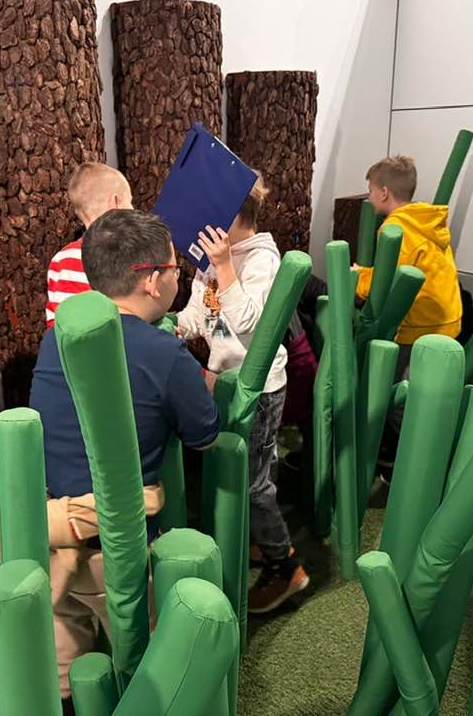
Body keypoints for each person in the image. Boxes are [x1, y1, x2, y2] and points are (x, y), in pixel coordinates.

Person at [0, 209, 218, 700]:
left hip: (39, 539)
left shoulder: (55, 339)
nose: (178, 277)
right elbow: (205, 437)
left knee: (60, 680)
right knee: (152, 674)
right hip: (111, 550)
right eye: (174, 269)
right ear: (152, 280)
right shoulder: (165, 355)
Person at [176, 175, 310, 615]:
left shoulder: (261, 259)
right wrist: (178, 326)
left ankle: (285, 565)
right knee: (239, 471)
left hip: (260, 388)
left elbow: (249, 321)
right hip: (224, 380)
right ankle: (257, 539)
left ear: (234, 216)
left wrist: (225, 267)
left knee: (254, 484)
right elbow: (201, 310)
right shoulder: (214, 260)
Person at [357, 155, 462, 372]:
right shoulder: (425, 220)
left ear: (384, 193)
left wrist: (357, 280)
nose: (369, 197)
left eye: (370, 190)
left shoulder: (394, 229)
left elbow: (388, 282)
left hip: (420, 328)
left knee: (400, 385)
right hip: (449, 320)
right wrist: (366, 272)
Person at [45, 162, 134, 327]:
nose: (133, 208)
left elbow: (55, 324)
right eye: (130, 202)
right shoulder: (126, 256)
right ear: (116, 203)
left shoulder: (60, 260)